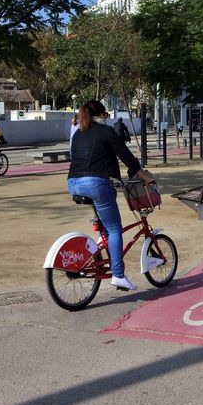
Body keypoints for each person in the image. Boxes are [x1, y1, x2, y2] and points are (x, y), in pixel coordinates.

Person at [67, 100, 154, 291]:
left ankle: (101, 239)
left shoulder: (78, 133)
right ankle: (118, 275)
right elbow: (126, 156)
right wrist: (143, 176)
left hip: (73, 183)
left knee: (106, 221)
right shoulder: (106, 132)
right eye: (105, 115)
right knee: (115, 228)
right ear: (102, 115)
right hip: (95, 184)